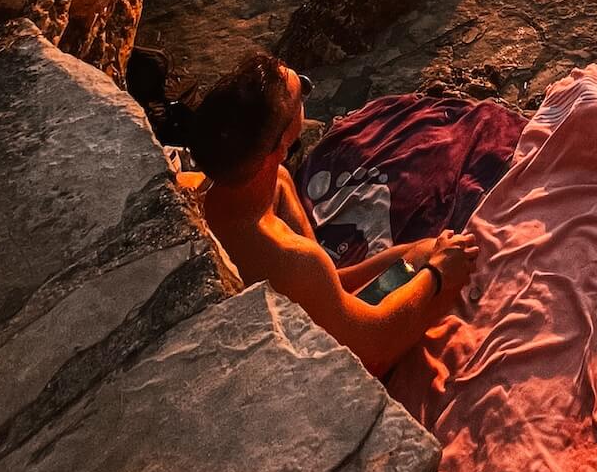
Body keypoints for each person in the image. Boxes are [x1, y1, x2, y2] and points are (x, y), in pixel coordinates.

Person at [179, 54, 477, 381]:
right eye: (302, 92)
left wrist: (415, 253)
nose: (306, 93)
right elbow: (373, 350)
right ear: (282, 143)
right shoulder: (287, 257)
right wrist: (437, 275)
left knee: (421, 252)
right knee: (437, 266)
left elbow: (330, 280)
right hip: (317, 365)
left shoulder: (213, 187)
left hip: (315, 298)